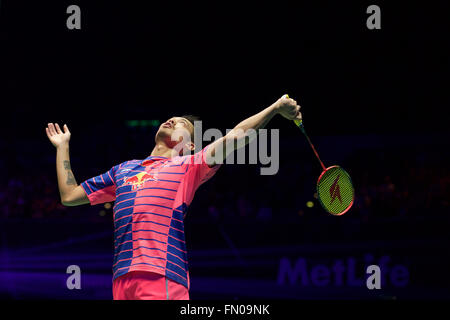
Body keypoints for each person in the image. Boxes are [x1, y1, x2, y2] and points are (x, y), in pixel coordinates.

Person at [45, 94, 301, 300]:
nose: (171, 120)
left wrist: (275, 108)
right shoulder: (123, 170)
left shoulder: (191, 166)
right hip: (121, 279)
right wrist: (63, 147)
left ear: (190, 144)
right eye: (170, 118)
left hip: (162, 276)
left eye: (181, 124)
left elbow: (236, 136)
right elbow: (69, 195)